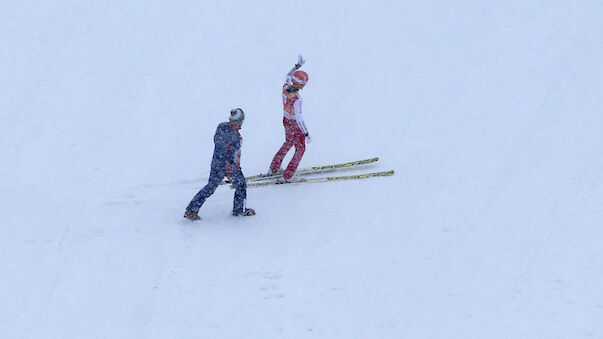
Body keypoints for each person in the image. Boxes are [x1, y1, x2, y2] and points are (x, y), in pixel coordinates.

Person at [184, 108, 255, 220]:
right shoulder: (234, 136)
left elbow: (219, 145)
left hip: (216, 163)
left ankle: (191, 209)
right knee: (241, 184)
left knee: (210, 187)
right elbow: (231, 155)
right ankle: (239, 209)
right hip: (229, 166)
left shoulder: (221, 127)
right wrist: (231, 171)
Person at [268, 55, 311, 183]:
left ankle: (274, 168)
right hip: (295, 124)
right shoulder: (297, 100)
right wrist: (306, 133)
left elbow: (288, 74)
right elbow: (299, 118)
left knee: (288, 143)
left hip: (286, 120)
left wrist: (297, 66)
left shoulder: (285, 87)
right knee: (300, 148)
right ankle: (289, 175)